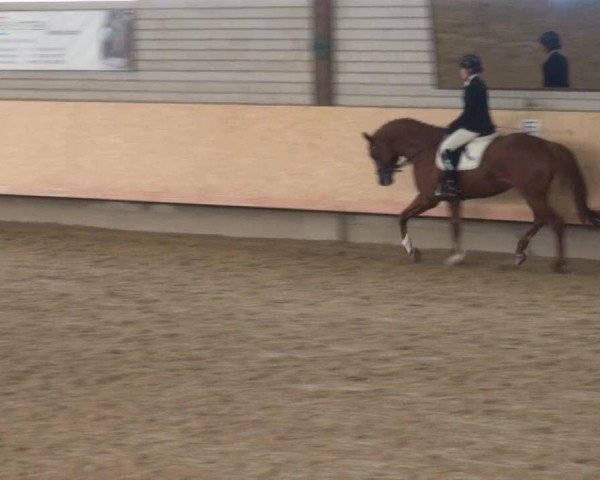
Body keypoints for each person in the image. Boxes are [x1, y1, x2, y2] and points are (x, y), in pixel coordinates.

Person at [436, 54, 496, 199]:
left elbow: (468, 113)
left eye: (462, 68)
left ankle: (451, 184)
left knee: (446, 148)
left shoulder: (473, 86)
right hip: (480, 124)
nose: (460, 71)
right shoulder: (476, 83)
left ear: (468, 70)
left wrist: (452, 126)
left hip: (475, 127)